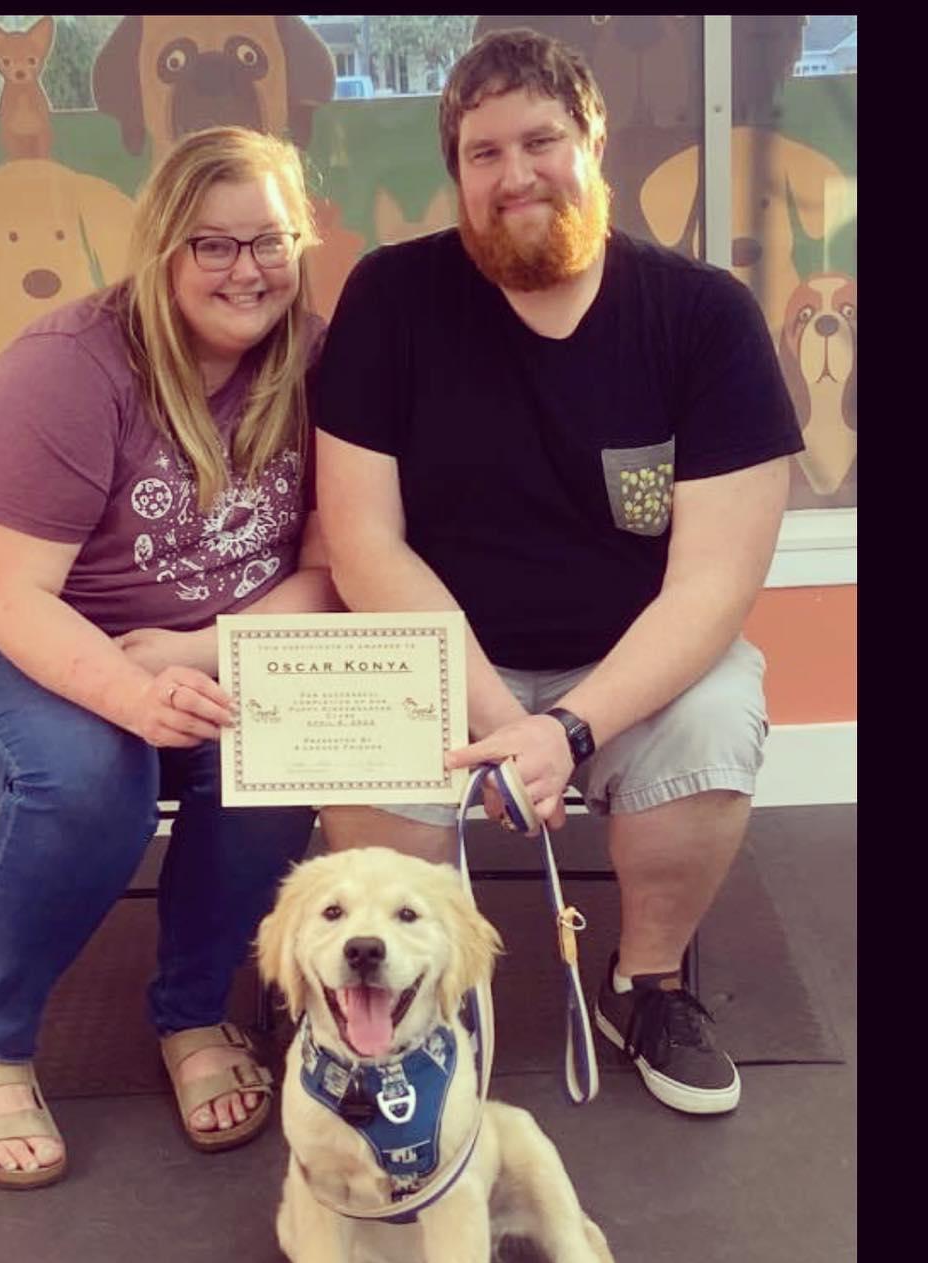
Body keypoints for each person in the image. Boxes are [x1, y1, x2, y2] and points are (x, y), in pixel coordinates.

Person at [312, 29, 805, 1117]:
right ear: (458, 178)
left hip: (624, 666)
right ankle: (395, 1020)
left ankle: (649, 981)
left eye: (541, 140)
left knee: (720, 707)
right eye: (482, 154)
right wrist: (505, 718)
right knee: (351, 724)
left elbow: (714, 584)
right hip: (438, 664)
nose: (514, 173)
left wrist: (568, 728)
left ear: (594, 143)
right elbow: (364, 544)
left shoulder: (705, 317)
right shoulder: (390, 300)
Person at [0, 126, 335, 1188]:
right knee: (95, 778)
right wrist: (135, 694)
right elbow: (10, 598)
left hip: (195, 643)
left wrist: (203, 651)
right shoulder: (64, 375)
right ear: (163, 248)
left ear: (301, 243)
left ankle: (191, 1016)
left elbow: (329, 571)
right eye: (213, 246)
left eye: (268, 241)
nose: (246, 270)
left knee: (277, 749)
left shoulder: (318, 362)